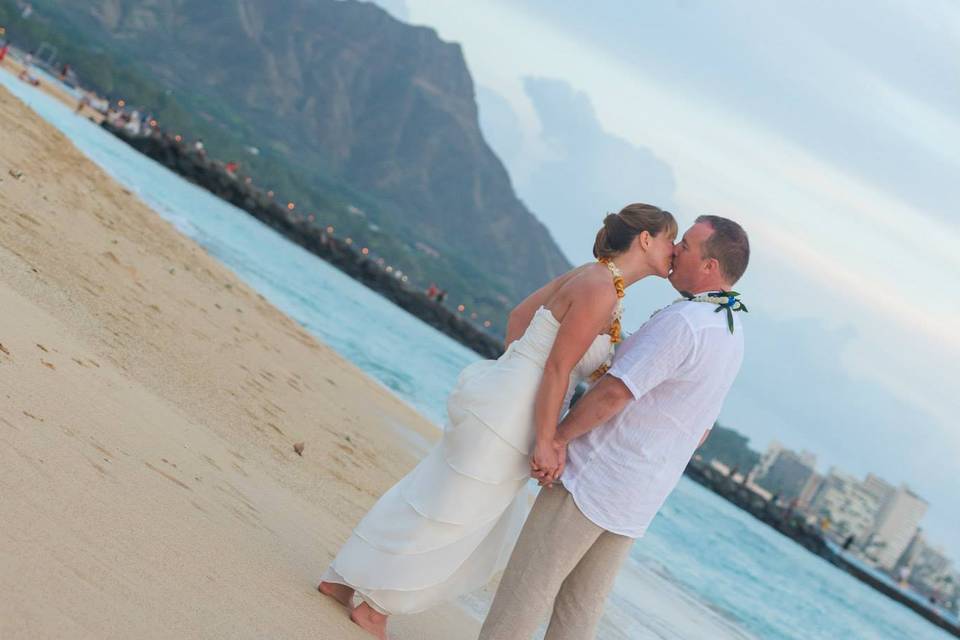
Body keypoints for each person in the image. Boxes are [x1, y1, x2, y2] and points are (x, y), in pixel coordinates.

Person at [318, 204, 678, 639]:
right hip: (514, 413)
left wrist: (515, 371)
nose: (674, 249)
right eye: (669, 239)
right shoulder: (601, 288)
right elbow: (558, 368)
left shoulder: (593, 276)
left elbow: (519, 320)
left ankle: (342, 579)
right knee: (459, 511)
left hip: (507, 396)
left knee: (433, 491)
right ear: (645, 239)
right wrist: (547, 439)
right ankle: (375, 609)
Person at [478, 215, 750, 640]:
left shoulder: (686, 323)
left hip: (596, 477)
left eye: (687, 246)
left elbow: (614, 393)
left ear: (710, 267)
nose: (676, 249)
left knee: (526, 589)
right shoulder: (732, 334)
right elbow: (700, 431)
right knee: (578, 612)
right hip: (637, 498)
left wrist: (556, 438)